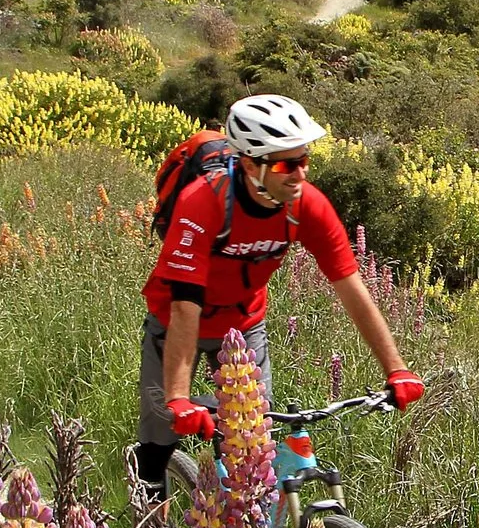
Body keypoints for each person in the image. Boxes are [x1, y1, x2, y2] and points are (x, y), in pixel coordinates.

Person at [137, 93, 423, 502]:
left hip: (244, 322)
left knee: (252, 446)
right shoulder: (203, 201)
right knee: (159, 436)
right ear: (252, 165)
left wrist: (397, 369)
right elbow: (185, 306)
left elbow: (352, 289)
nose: (301, 173)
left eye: (305, 160)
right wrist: (179, 399)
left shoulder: (308, 205)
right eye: (289, 164)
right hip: (177, 321)